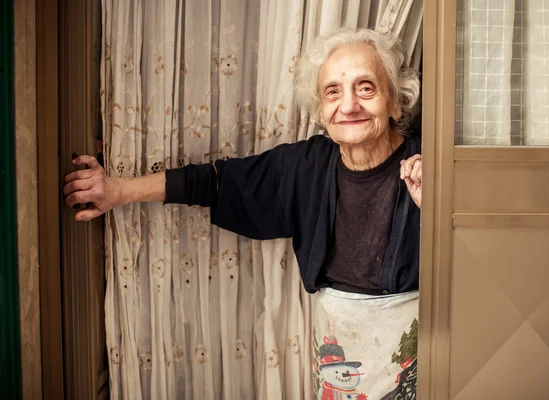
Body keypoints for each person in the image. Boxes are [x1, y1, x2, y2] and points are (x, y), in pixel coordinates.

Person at [64, 28, 422, 399]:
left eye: (366, 88)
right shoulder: (305, 167)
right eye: (333, 91)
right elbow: (215, 183)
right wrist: (118, 190)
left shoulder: (432, 168)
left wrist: (438, 206)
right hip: (339, 359)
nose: (348, 105)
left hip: (424, 358)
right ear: (320, 110)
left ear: (396, 102)